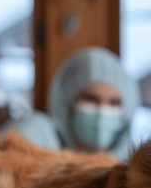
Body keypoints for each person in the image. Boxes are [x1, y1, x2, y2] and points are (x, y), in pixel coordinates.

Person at [10, 46, 142, 161]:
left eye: (113, 103)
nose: (102, 112)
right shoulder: (36, 136)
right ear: (67, 103)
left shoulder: (134, 170)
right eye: (91, 100)